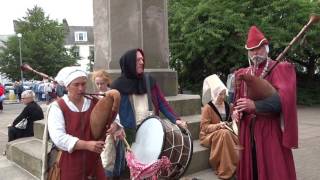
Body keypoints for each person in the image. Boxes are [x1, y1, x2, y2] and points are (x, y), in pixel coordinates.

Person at [110, 48, 187, 178]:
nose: (142, 62)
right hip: (129, 134)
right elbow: (112, 112)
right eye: (138, 60)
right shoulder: (117, 86)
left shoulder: (149, 81)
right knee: (130, 171)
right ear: (129, 63)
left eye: (142, 59)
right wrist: (115, 126)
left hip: (152, 132)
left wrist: (176, 120)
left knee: (151, 169)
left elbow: (162, 103)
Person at [232, 26, 298, 180]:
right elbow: (238, 101)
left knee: (274, 171)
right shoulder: (243, 73)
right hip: (247, 132)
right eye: (252, 49)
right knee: (252, 169)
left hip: (269, 131)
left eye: (259, 48)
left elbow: (283, 101)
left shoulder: (280, 69)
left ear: (266, 48)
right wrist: (236, 111)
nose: (255, 52)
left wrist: (255, 106)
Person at [47, 66, 106, 180]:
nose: (81, 88)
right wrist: (87, 145)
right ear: (67, 86)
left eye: (83, 84)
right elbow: (58, 137)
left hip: (94, 161)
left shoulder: (94, 102)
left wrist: (115, 126)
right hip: (70, 163)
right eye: (76, 84)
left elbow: (111, 116)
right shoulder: (58, 107)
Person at [200, 74, 239, 179]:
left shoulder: (227, 105)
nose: (222, 97)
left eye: (223, 94)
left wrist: (231, 122)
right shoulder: (208, 108)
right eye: (220, 94)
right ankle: (226, 169)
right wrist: (218, 125)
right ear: (214, 94)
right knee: (225, 134)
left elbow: (230, 120)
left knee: (229, 134)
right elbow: (204, 127)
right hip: (209, 134)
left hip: (225, 132)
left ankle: (236, 165)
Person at [92, 69, 125, 178]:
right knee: (101, 158)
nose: (100, 86)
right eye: (97, 84)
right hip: (100, 132)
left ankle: (109, 176)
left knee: (108, 159)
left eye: (102, 83)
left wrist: (115, 124)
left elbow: (119, 113)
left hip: (111, 133)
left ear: (107, 82)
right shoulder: (95, 95)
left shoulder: (114, 95)